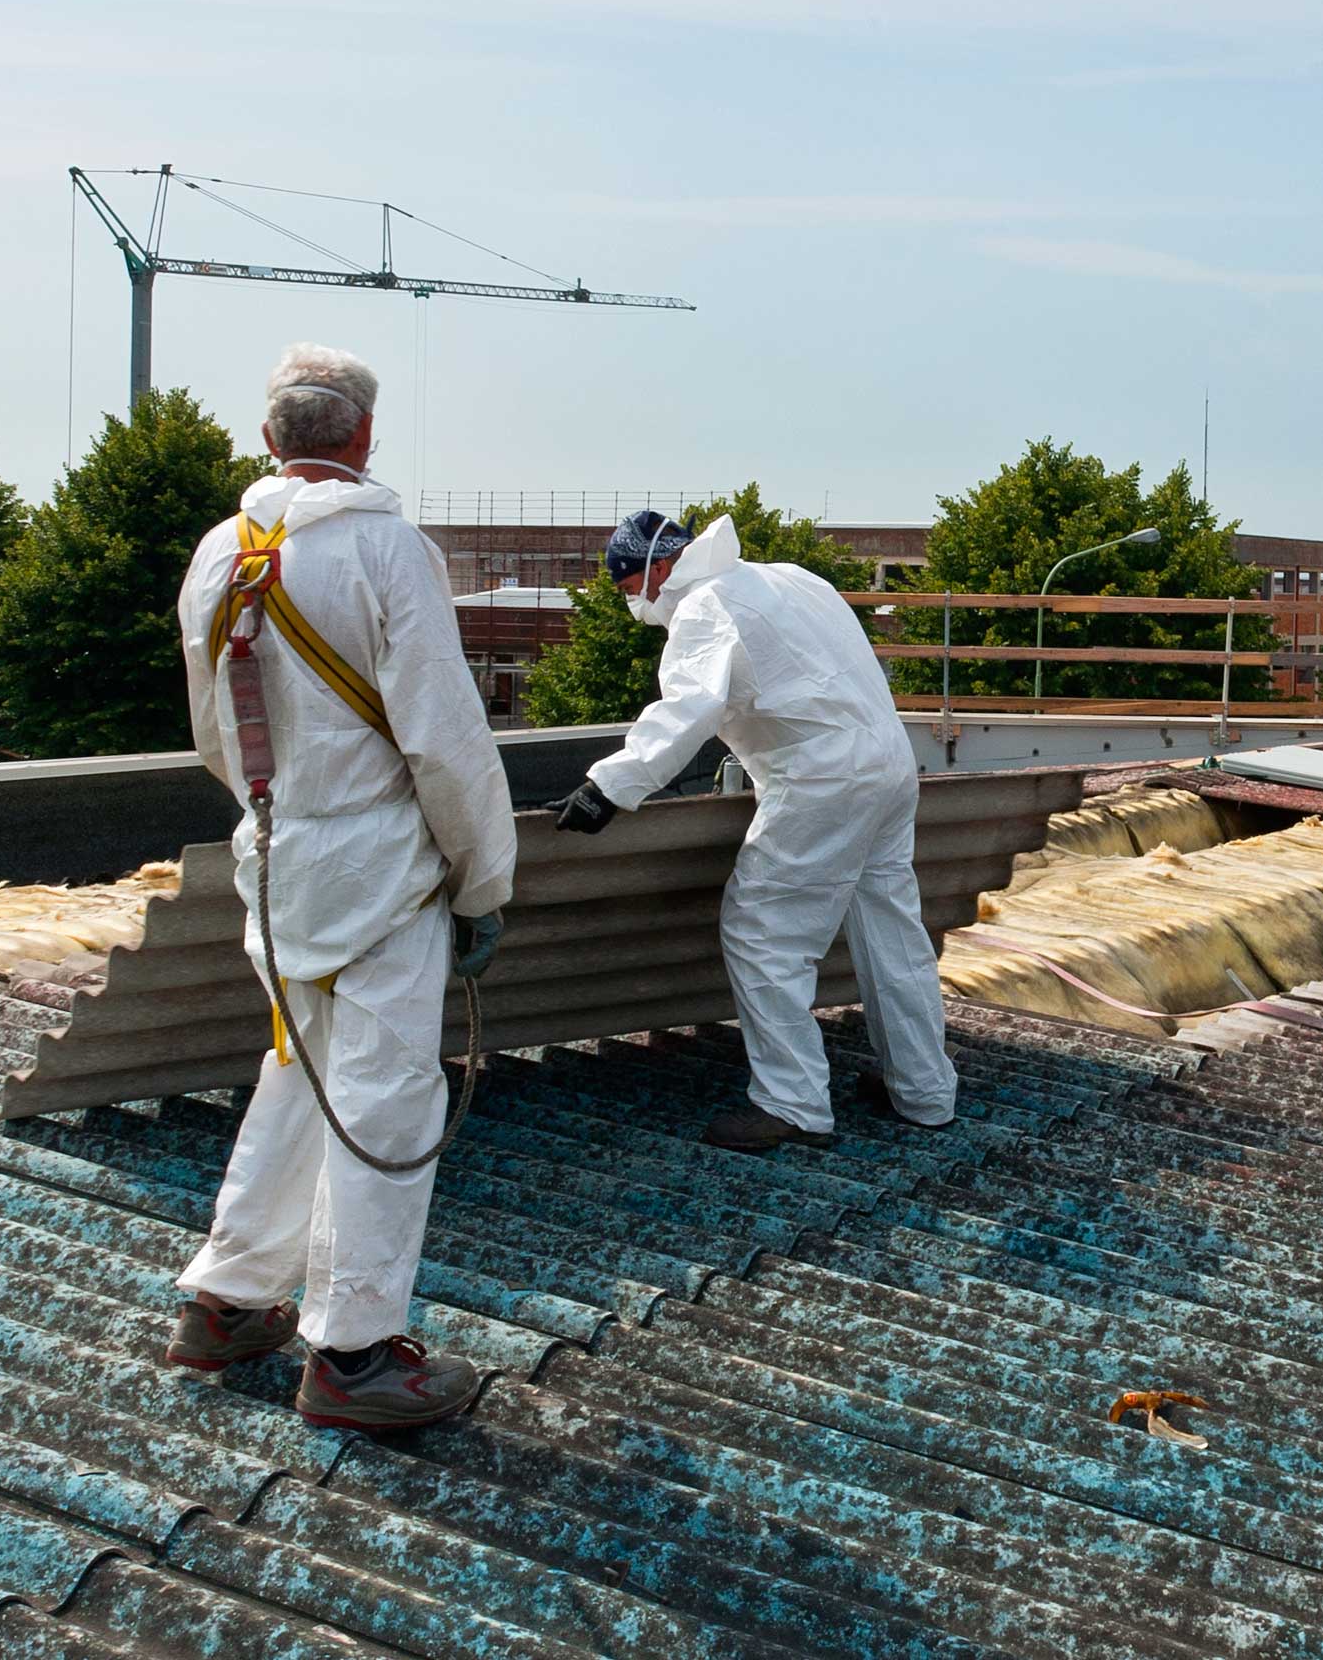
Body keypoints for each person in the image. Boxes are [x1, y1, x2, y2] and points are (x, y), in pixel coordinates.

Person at [168, 341, 516, 1428]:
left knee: (299, 1077)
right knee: (384, 1099)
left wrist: (291, 818)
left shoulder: (220, 553)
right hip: (379, 874)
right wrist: (480, 880)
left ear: (269, 438)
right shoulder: (389, 552)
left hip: (277, 863)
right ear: (362, 437)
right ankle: (355, 1355)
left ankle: (227, 1301)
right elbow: (447, 743)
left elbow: (214, 735)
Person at [549, 508, 956, 1149]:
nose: (636, 605)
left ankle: (793, 1105)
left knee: (763, 931)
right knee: (889, 926)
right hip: (889, 762)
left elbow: (689, 706)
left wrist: (610, 788)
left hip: (822, 779)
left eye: (631, 590)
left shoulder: (704, 606)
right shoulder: (790, 578)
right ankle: (924, 1089)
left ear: (658, 568)